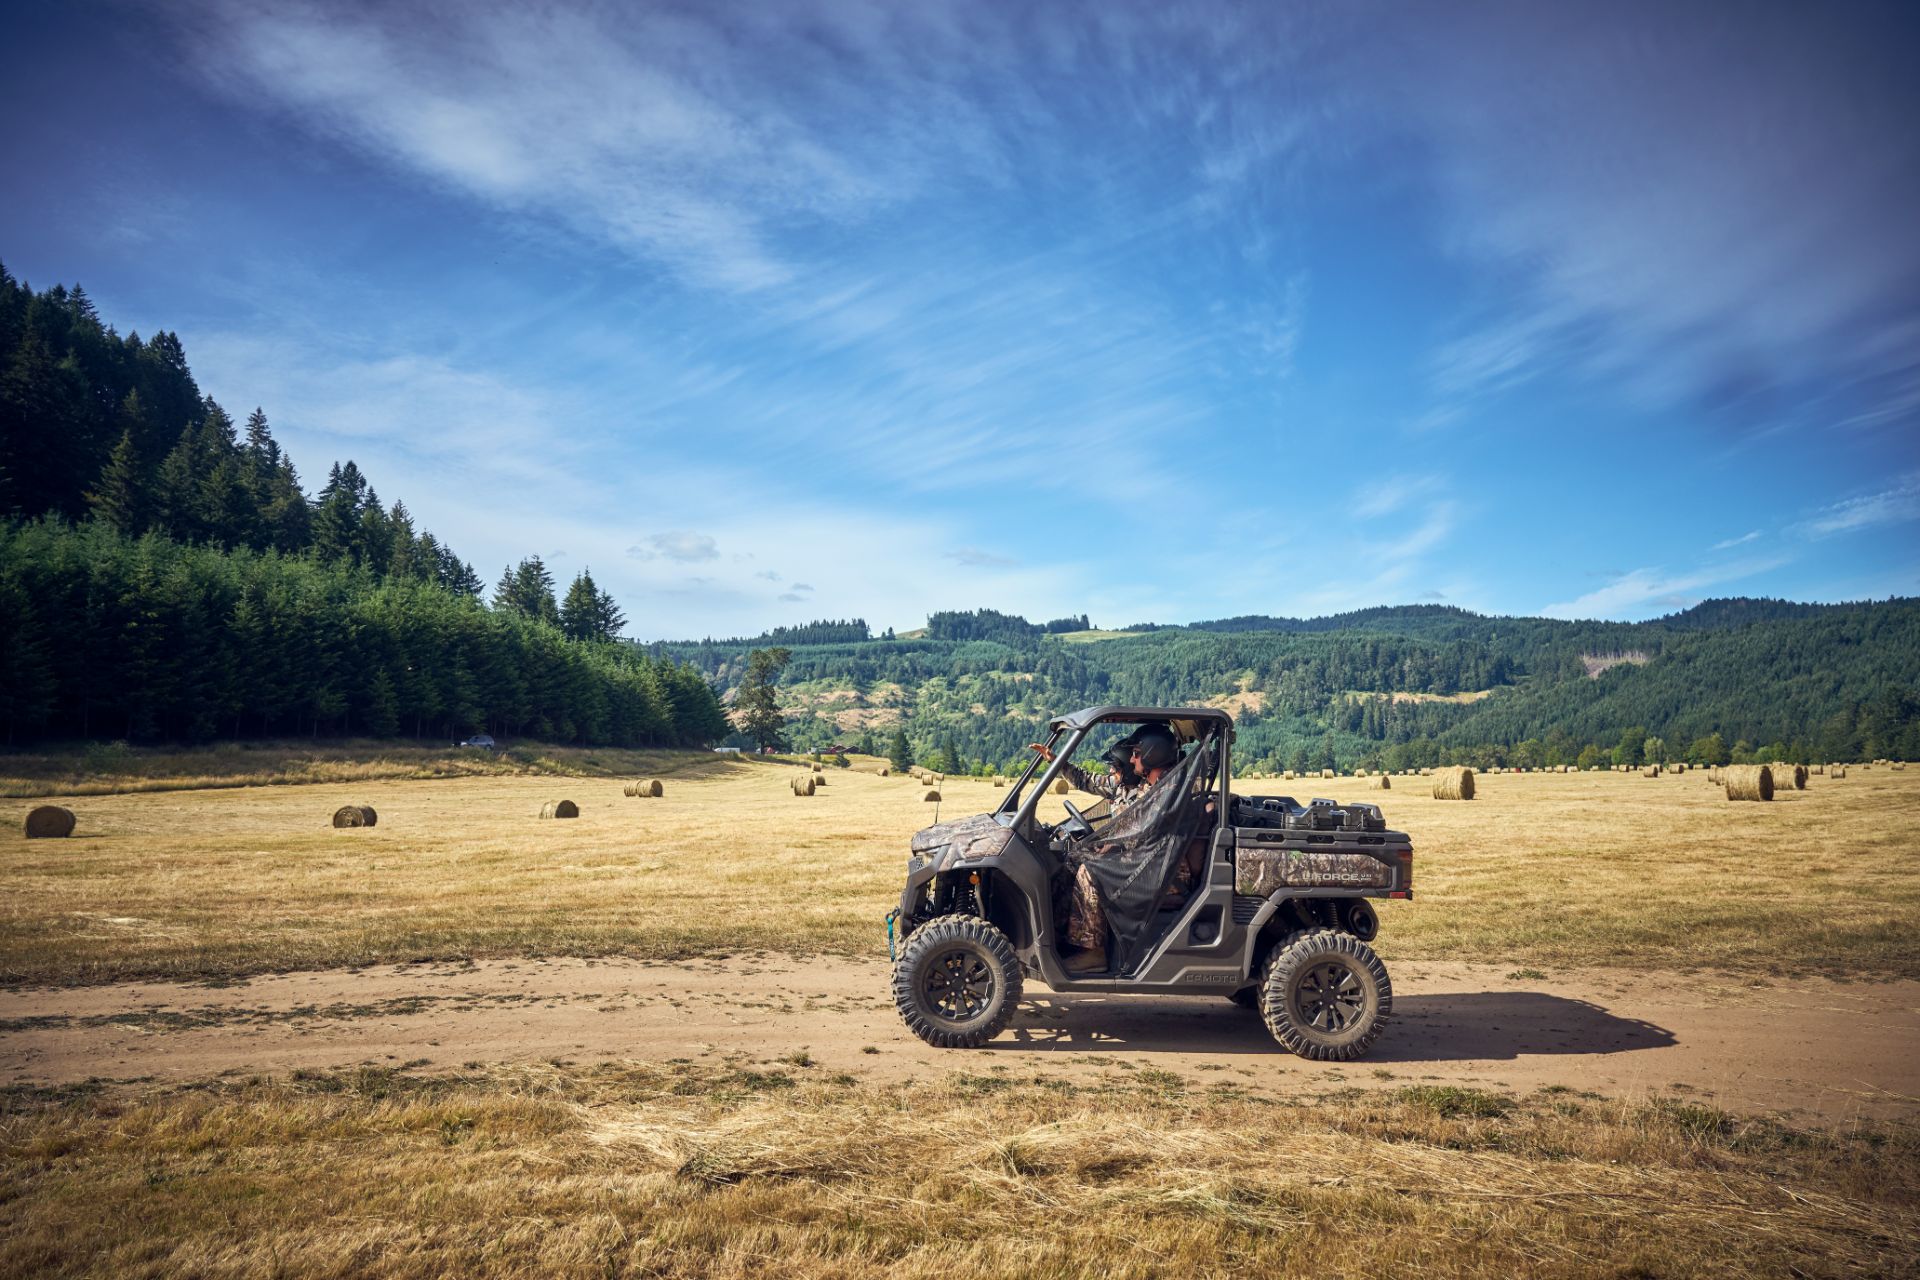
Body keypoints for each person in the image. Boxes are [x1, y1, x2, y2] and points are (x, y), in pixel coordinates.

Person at [1027, 725, 1185, 974]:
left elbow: (1139, 835)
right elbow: (1088, 782)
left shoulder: (1167, 792)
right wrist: (1055, 760)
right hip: (1145, 860)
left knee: (1089, 873)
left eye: (1137, 753)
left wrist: (1107, 848)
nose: (1133, 759)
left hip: (1160, 869)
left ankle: (1093, 952)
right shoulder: (1146, 787)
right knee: (1071, 861)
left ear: (1152, 754)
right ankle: (1061, 937)